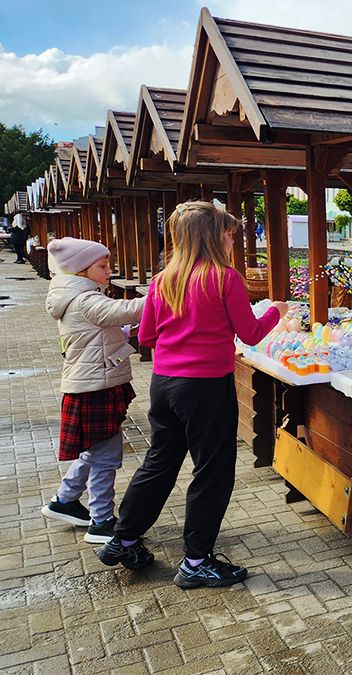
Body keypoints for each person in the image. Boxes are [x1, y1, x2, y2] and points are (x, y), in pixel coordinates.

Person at [97, 201, 287, 588]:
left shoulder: (163, 279)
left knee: (160, 461)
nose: (233, 240)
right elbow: (250, 334)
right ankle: (197, 561)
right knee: (212, 471)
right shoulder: (224, 278)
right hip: (206, 386)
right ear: (215, 237)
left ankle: (124, 538)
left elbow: (147, 337)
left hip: (165, 383)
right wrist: (276, 312)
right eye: (231, 234)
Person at [41, 238, 145, 544]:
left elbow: (105, 329)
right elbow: (124, 310)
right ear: (82, 270)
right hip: (94, 386)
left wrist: (122, 333)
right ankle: (101, 521)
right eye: (102, 265)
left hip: (90, 383)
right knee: (105, 457)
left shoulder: (79, 294)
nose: (109, 270)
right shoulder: (86, 299)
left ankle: (64, 500)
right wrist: (166, 293)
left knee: (94, 451)